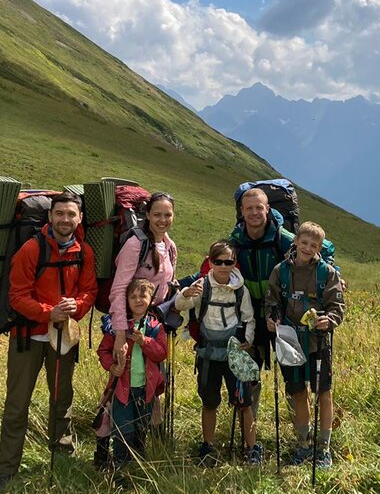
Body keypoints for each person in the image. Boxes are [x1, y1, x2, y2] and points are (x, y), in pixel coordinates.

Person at [0, 193, 97, 490]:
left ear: (79, 219)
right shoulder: (31, 249)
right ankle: (6, 472)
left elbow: (89, 290)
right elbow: (17, 296)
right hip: (27, 337)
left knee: (61, 400)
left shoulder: (84, 251)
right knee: (17, 405)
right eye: (60, 214)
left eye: (71, 215)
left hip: (64, 336)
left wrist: (74, 308)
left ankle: (62, 462)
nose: (65, 219)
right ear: (50, 217)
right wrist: (48, 313)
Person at [266, 221, 345, 467]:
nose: (308, 248)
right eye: (304, 243)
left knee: (323, 393)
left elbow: (338, 307)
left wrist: (329, 320)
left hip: (318, 342)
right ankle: (303, 446)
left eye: (314, 245)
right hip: (290, 342)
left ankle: (323, 448)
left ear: (320, 247)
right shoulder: (281, 271)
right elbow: (272, 301)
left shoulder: (327, 273)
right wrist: (272, 318)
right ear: (296, 242)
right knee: (298, 391)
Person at [174, 240, 259, 466]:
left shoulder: (241, 290)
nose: (223, 266)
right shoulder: (201, 286)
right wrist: (185, 293)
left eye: (228, 261)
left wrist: (248, 340)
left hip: (233, 354)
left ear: (234, 263)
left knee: (244, 403)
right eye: (217, 261)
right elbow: (181, 306)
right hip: (208, 354)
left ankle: (252, 448)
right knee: (209, 401)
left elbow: (249, 318)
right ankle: (207, 446)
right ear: (210, 262)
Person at [105, 192, 178, 427]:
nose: (162, 220)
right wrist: (119, 334)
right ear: (147, 214)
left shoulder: (170, 246)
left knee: (151, 380)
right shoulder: (135, 244)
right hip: (128, 323)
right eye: (157, 214)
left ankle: (145, 438)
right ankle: (111, 441)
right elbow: (118, 290)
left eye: (167, 215)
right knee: (121, 382)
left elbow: (168, 287)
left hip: (154, 326)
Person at [226, 188, 294, 436]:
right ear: (241, 212)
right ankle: (250, 440)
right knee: (247, 377)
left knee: (293, 377)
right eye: (249, 208)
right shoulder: (234, 241)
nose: (254, 212)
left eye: (259, 207)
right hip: (248, 318)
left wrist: (335, 276)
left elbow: (315, 256)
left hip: (281, 318)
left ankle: (302, 439)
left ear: (267, 209)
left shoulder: (283, 238)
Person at [94, 278, 169, 467]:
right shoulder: (119, 327)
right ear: (126, 301)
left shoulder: (155, 327)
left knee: (140, 429)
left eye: (142, 296)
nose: (137, 300)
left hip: (146, 390)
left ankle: (137, 467)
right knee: (123, 428)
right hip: (122, 389)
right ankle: (121, 468)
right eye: (133, 296)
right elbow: (103, 351)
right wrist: (112, 367)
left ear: (151, 298)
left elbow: (161, 353)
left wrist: (145, 342)